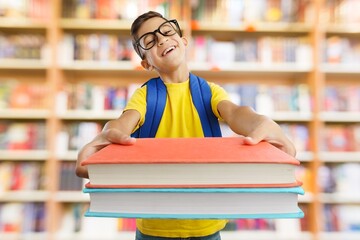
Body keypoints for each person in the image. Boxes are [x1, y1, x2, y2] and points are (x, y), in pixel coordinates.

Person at [76, 11, 296, 240]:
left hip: (207, 226)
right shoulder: (144, 96)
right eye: (149, 41)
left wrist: (261, 123)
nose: (161, 39)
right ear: (146, 63)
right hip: (154, 228)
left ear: (183, 40)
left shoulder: (209, 91)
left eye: (167, 31)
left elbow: (236, 113)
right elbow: (122, 123)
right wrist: (106, 137)